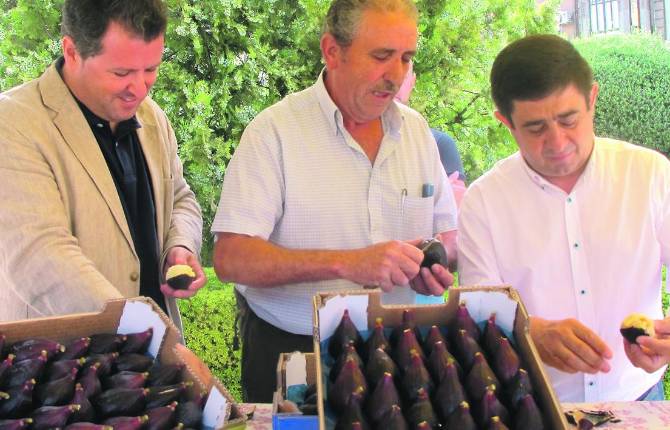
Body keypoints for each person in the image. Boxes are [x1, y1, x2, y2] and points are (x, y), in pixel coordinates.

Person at [212, 0, 458, 402]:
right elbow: (231, 258)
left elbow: (446, 235)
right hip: (292, 352)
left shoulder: (415, 132)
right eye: (381, 56)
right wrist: (348, 262)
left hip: (395, 350)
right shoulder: (274, 132)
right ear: (332, 51)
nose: (395, 75)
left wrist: (429, 263)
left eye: (406, 58)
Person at [457, 34, 670, 402]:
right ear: (505, 121)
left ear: (592, 99)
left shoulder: (649, 173)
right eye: (536, 128)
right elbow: (478, 311)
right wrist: (529, 331)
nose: (557, 143)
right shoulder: (484, 201)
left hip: (638, 395)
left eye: (569, 119)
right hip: (532, 403)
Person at [0, 0, 206, 330]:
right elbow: (41, 256)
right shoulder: (13, 123)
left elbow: (180, 198)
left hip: (149, 361)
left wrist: (179, 246)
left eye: (151, 69)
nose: (140, 89)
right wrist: (143, 332)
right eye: (121, 73)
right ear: (72, 51)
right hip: (63, 367)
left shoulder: (153, 117)